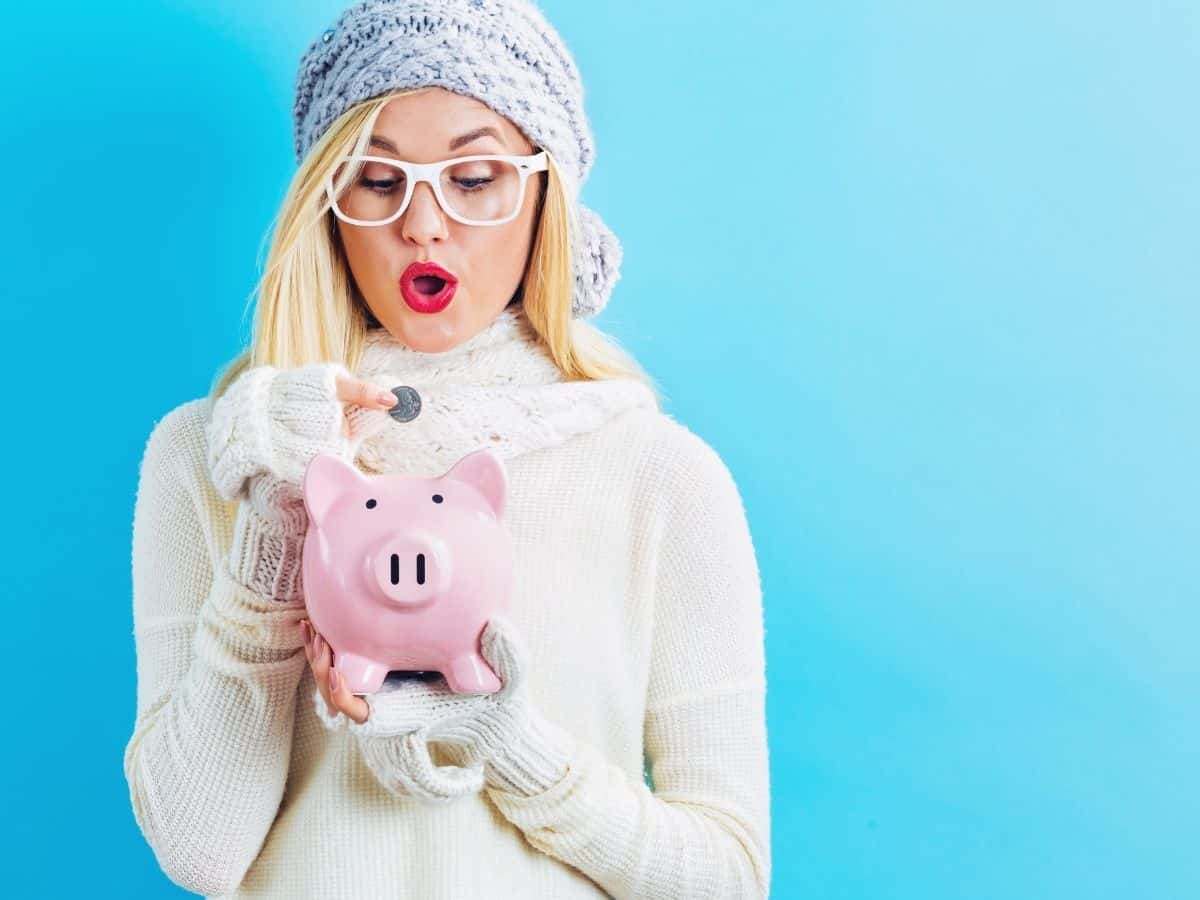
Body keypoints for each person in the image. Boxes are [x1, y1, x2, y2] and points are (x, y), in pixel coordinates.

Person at [122, 1, 771, 897]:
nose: (423, 225)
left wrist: (506, 740)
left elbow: (729, 878)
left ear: (544, 196)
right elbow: (200, 851)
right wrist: (277, 514)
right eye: (378, 180)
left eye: (473, 177)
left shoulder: (658, 475)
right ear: (329, 205)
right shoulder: (213, 453)